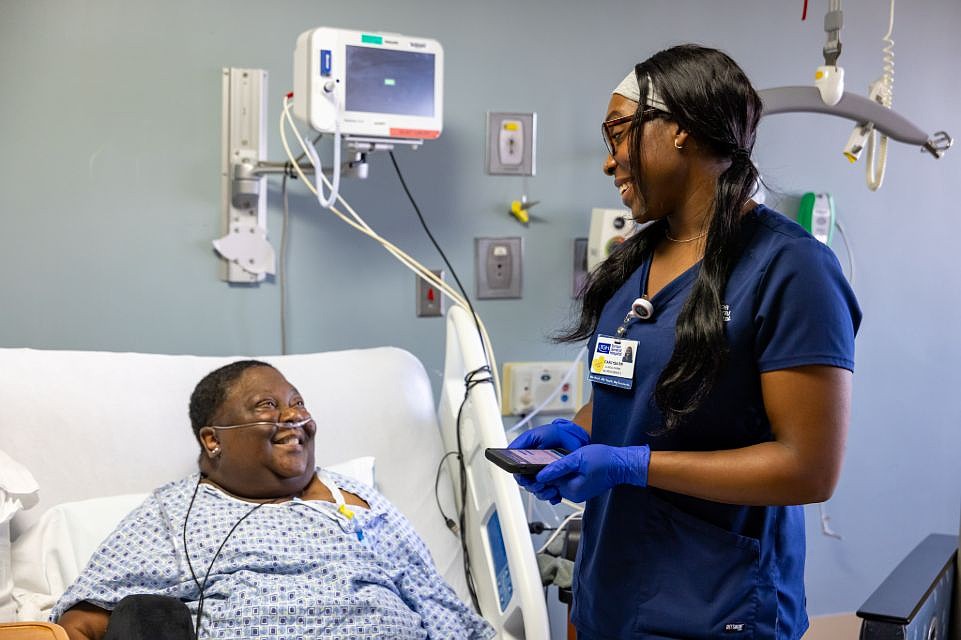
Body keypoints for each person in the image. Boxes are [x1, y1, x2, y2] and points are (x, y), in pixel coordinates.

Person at [510, 44, 861, 639]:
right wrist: (580, 434)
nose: (608, 161)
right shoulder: (633, 265)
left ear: (678, 131)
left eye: (618, 132)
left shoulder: (791, 269)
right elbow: (626, 395)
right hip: (609, 594)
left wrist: (631, 464)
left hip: (717, 605)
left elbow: (809, 469)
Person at [53, 360, 494, 640]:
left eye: (298, 403)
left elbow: (436, 604)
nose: (294, 417)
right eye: (267, 405)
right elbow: (84, 622)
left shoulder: (356, 500)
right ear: (212, 440)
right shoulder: (174, 514)